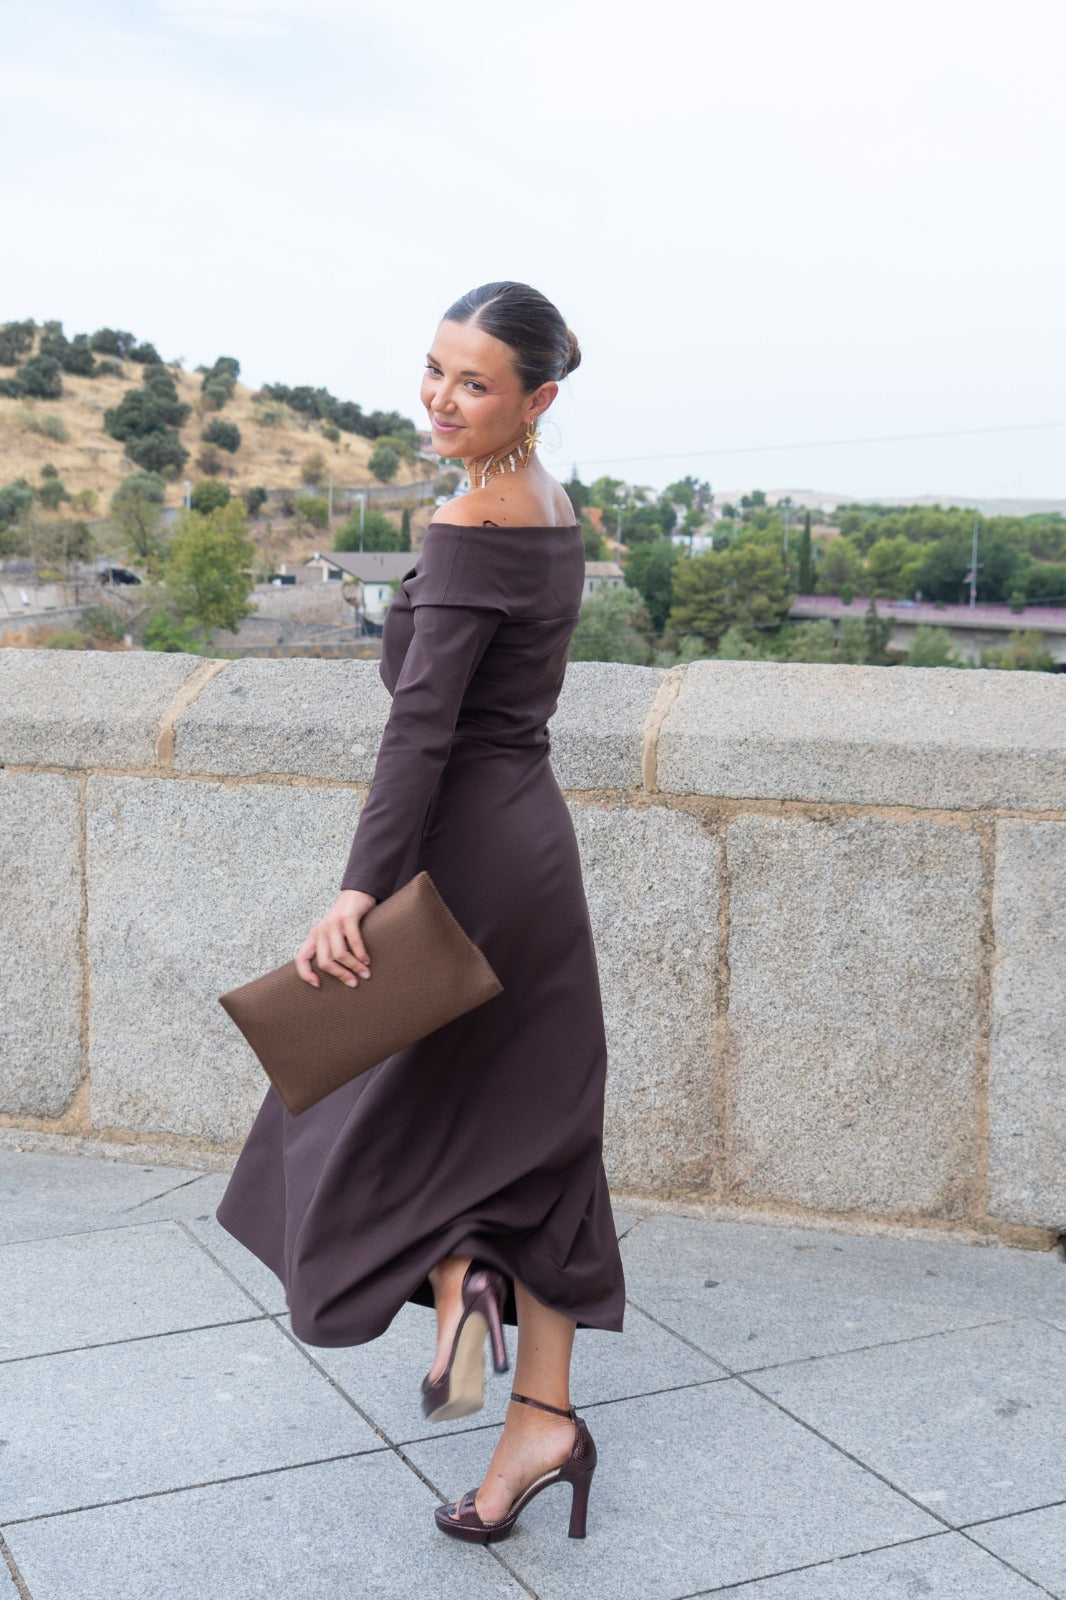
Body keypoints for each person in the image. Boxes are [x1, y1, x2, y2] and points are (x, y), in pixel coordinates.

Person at [215, 281, 625, 1545]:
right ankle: (539, 1417)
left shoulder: (465, 524)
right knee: (538, 1134)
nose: (442, 399)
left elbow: (418, 735)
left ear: (536, 397)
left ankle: (458, 1272)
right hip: (532, 852)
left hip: (457, 862)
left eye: (474, 382)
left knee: (352, 1112)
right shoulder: (547, 506)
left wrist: (359, 890)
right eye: (435, 370)